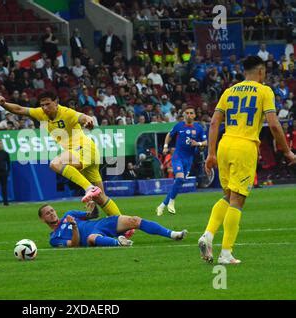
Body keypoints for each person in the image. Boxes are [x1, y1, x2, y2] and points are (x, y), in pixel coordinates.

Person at [198, 56, 296, 265]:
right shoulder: (264, 91)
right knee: (237, 200)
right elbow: (275, 125)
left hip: (225, 145)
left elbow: (214, 121)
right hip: (245, 146)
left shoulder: (229, 91)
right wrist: (287, 152)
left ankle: (207, 235)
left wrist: (211, 153)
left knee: (227, 196)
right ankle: (226, 253)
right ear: (261, 72)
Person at [0, 91, 129, 223]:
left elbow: (82, 117)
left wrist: (88, 120)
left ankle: (89, 188)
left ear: (56, 102)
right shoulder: (41, 113)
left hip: (85, 149)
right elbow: (20, 109)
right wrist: (4, 104)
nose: (45, 108)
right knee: (101, 198)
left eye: (48, 104)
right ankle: (126, 226)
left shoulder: (66, 112)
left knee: (55, 163)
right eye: (42, 105)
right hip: (83, 152)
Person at [39, 202, 187, 248]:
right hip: (90, 237)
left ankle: (173, 234)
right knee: (92, 238)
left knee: (134, 220)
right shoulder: (54, 239)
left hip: (101, 224)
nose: (52, 213)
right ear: (42, 220)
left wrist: (93, 204)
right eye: (47, 213)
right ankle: (119, 242)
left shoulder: (68, 214)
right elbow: (74, 244)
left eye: (52, 210)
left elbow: (93, 215)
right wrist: (75, 227)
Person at [156, 106, 207, 216]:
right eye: (187, 113)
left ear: (194, 115)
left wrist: (198, 144)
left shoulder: (198, 128)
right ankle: (171, 202)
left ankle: (162, 205)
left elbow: (205, 142)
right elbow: (169, 135)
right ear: (184, 115)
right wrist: (165, 146)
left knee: (179, 182)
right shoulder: (179, 126)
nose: (189, 115)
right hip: (178, 157)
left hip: (189, 160)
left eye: (191, 113)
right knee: (179, 178)